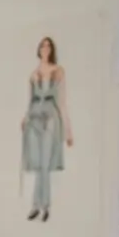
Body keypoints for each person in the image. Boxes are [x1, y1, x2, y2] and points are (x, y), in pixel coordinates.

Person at [21, 36, 73, 223]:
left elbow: (62, 101)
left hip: (50, 117)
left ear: (52, 50)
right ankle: (36, 205)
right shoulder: (33, 74)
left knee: (45, 164)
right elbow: (30, 101)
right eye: (42, 46)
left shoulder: (58, 71)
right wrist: (25, 118)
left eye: (48, 46)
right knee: (36, 165)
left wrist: (68, 131)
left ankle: (45, 206)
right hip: (34, 117)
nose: (45, 49)